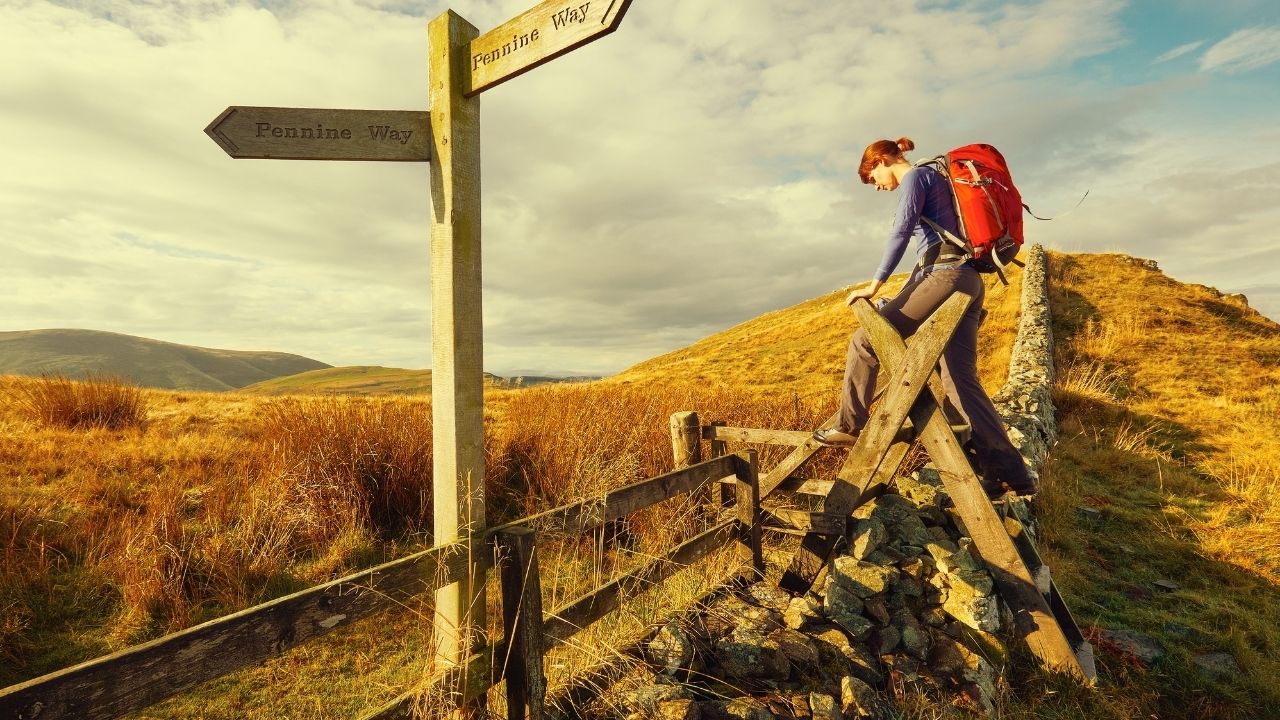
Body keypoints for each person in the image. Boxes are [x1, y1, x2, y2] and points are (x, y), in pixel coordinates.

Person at [810, 136, 1036, 497]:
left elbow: (901, 231)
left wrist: (874, 284)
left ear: (883, 159)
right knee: (959, 380)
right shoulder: (941, 177)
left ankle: (849, 424)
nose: (878, 187)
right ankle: (1009, 474)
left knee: (865, 341)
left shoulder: (916, 177)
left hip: (944, 276)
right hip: (969, 281)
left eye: (874, 177)